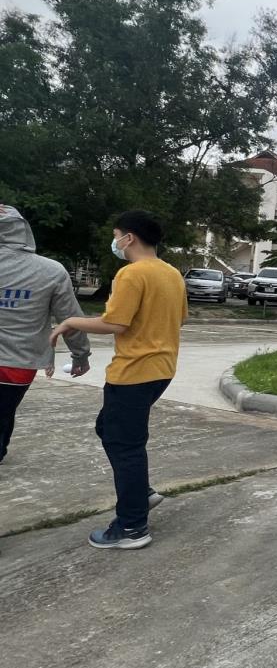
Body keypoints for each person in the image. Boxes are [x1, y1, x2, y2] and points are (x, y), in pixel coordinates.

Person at [49, 211, 186, 550]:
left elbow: (115, 323)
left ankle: (132, 526)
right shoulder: (171, 273)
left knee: (125, 445)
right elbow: (179, 319)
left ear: (129, 238)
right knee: (109, 429)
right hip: (161, 370)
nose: (116, 243)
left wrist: (70, 322)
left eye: (116, 237)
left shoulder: (132, 273)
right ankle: (141, 493)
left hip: (134, 372)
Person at [0, 205, 92, 465]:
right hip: (19, 363)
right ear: (23, 230)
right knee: (4, 412)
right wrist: (80, 355)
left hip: (17, 362)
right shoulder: (51, 271)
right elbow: (70, 318)